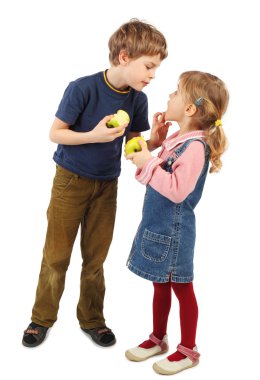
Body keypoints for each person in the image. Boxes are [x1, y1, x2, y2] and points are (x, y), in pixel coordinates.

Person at [22, 19, 168, 348]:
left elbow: (134, 146)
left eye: (156, 68)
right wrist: (93, 136)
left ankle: (92, 319)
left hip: (106, 187)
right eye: (149, 66)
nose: (152, 75)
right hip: (70, 181)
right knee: (56, 255)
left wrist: (153, 143)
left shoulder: (138, 100)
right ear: (124, 57)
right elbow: (55, 133)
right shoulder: (83, 88)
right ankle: (40, 319)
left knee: (95, 258)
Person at [125, 71, 229, 375]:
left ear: (190, 110)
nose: (169, 96)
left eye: (175, 92)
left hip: (175, 232)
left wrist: (148, 162)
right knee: (160, 283)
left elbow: (177, 189)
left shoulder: (196, 147)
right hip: (159, 228)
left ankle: (188, 349)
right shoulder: (180, 139)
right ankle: (158, 338)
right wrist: (155, 143)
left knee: (182, 287)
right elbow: (163, 167)